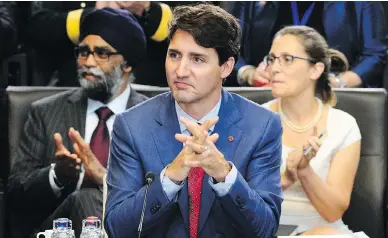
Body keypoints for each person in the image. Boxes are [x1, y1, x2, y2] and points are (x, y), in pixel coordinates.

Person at [104, 4, 283, 238]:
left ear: (226, 67)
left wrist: (224, 175)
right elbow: (117, 229)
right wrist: (170, 177)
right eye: (174, 55)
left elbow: (266, 229)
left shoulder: (261, 125)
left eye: (197, 59)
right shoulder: (132, 125)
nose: (180, 70)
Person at [7, 8, 148, 238]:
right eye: (83, 52)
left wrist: (104, 178)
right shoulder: (45, 112)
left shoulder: (151, 116)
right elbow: (15, 194)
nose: (88, 62)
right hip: (58, 231)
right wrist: (57, 175)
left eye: (101, 53)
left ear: (127, 64)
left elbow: (164, 195)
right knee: (86, 199)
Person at [262, 25, 361, 235]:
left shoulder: (343, 125)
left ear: (315, 69)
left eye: (287, 59)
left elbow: (333, 211)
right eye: (271, 59)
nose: (274, 68)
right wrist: (286, 178)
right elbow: (240, 203)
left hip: (323, 230)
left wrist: (304, 171)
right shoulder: (254, 119)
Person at [227, 1, 387, 88]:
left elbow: (375, 54)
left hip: (333, 94)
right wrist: (248, 73)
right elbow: (228, 47)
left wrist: (340, 83)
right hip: (269, 91)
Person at [24, 1, 173, 86]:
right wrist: (94, 15)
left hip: (150, 90)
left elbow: (193, 29)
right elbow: (35, 29)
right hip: (79, 91)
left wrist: (147, 9)